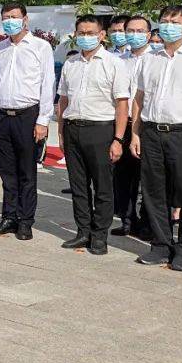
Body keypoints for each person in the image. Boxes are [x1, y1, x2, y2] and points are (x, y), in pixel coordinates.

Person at [131, 5, 182, 272]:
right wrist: (135, 133)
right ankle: (160, 244)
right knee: (153, 191)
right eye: (164, 20)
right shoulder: (150, 58)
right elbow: (139, 98)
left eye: (175, 21)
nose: (168, 25)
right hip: (152, 132)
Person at [55, 15, 130, 255]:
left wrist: (118, 139)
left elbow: (121, 104)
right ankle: (83, 231)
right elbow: (63, 99)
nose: (85, 37)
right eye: (81, 33)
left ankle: (100, 235)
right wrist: (61, 132)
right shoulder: (71, 64)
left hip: (101, 130)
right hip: (73, 128)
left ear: (102, 35)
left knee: (103, 186)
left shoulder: (114, 63)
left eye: (90, 33)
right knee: (78, 185)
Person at [0, 2, 56, 240]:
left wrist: (43, 120)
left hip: (28, 116)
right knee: (6, 171)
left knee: (26, 171)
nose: (10, 21)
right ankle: (9, 216)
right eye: (6, 17)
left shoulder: (40, 47)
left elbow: (48, 84)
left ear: (25, 19)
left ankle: (25, 220)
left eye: (14, 16)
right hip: (3, 116)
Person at [111, 15, 153, 238]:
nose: (134, 35)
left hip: (147, 125)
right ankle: (128, 219)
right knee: (123, 177)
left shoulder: (156, 58)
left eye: (140, 31)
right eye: (130, 30)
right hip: (123, 125)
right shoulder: (119, 60)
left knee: (148, 178)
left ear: (148, 34)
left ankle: (147, 222)